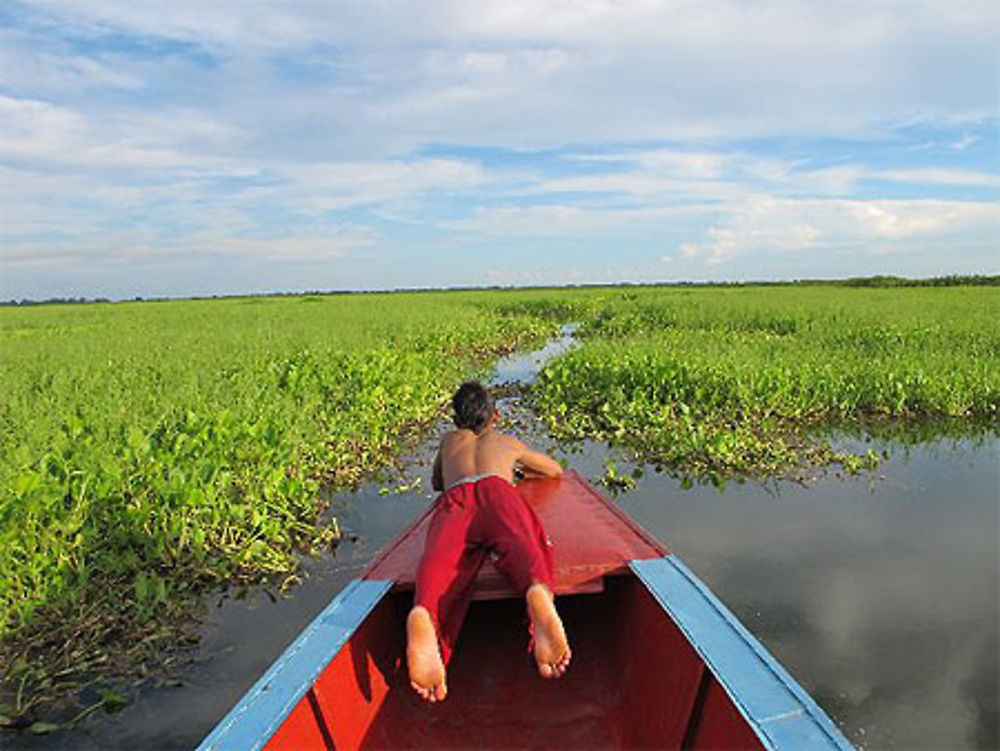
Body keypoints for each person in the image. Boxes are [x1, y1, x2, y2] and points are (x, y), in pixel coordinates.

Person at [406, 381, 572, 703]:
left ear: (456, 419)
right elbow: (554, 471)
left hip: (457, 499)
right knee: (527, 549)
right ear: (495, 416)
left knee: (439, 565)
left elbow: (438, 482)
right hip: (499, 492)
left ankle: (424, 611)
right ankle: (536, 591)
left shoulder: (448, 441)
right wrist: (519, 468)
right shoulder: (505, 442)